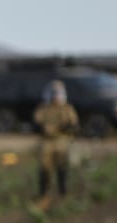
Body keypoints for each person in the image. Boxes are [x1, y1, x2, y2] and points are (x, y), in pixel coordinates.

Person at [33, 80, 79, 208]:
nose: (55, 96)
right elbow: (37, 124)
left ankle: (62, 193)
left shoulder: (67, 108)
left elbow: (73, 125)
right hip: (47, 142)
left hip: (61, 141)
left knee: (62, 167)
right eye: (53, 93)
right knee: (44, 169)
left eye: (57, 93)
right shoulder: (43, 108)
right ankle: (43, 194)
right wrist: (45, 129)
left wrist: (64, 129)